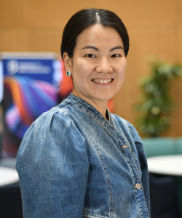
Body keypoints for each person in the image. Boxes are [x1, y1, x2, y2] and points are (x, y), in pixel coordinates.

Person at [16, 8, 150, 218]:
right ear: (68, 62)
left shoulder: (127, 131)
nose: (105, 67)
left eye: (115, 54)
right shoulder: (57, 129)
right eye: (90, 55)